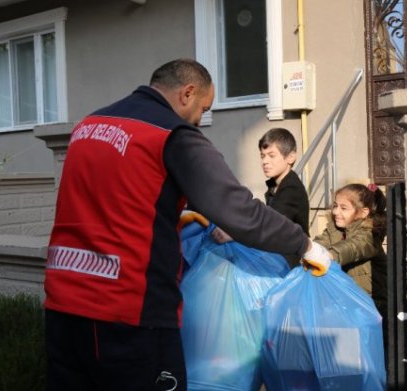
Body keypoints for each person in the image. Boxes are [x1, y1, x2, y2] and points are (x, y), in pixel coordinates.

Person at [43, 58, 331, 391]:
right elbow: (238, 210)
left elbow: (114, 199)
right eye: (203, 109)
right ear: (187, 93)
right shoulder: (171, 134)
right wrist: (304, 244)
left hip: (62, 304)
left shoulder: (89, 126)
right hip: (127, 314)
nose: (200, 120)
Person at [313, 183, 388, 316]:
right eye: (335, 206)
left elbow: (353, 246)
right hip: (345, 302)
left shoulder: (371, 234)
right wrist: (307, 250)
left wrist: (330, 254)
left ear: (363, 212)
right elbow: (320, 243)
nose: (336, 212)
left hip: (371, 304)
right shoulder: (334, 229)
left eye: (344, 208)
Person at [259, 128, 310, 267]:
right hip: (279, 257)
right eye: (262, 156)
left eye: (271, 155)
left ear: (290, 157)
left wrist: (235, 234)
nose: (265, 161)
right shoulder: (276, 186)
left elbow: (271, 225)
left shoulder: (291, 188)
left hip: (289, 263)